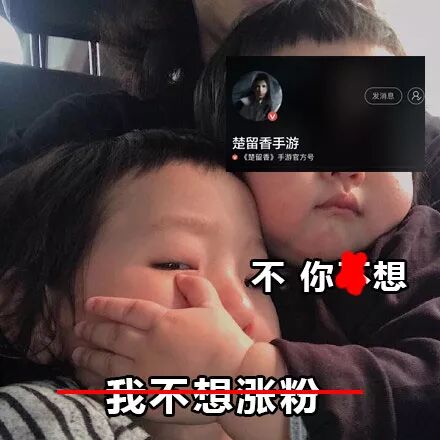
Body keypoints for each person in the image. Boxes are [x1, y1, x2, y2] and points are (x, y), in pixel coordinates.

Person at [69, 2, 439, 440]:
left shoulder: (422, 255)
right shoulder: (226, 267)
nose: (347, 166)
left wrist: (245, 377)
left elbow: (426, 385)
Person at [0, 129, 294, 439]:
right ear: (41, 317)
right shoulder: (44, 413)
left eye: (255, 280)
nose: (242, 307)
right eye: (174, 264)